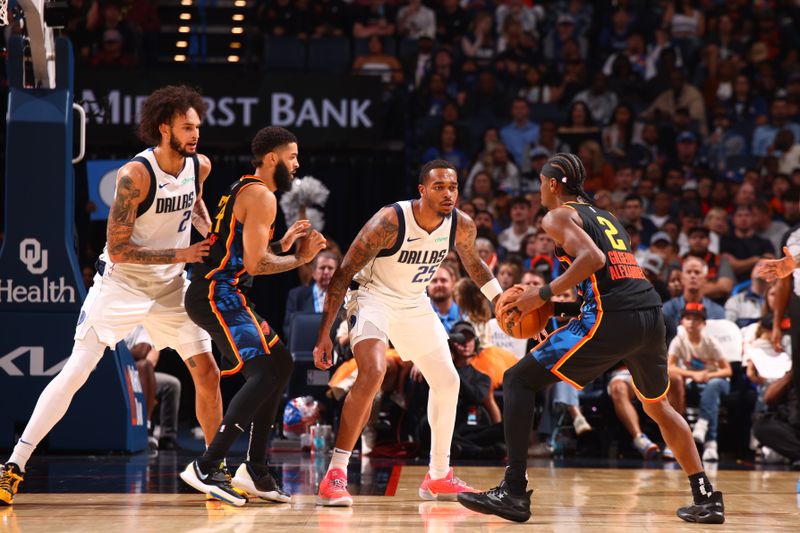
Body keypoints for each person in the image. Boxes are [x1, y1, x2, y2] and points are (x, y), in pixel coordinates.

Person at [457, 153, 724, 524]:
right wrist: (560, 314)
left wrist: (542, 295)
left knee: (519, 380)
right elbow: (611, 279)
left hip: (612, 318)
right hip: (649, 315)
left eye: (539, 182)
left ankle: (514, 491)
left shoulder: (558, 215)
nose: (538, 190)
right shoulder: (608, 217)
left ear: (553, 183)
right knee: (658, 407)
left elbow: (593, 258)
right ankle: (706, 497)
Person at [0, 85, 224, 506]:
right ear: (164, 128)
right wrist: (182, 251)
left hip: (172, 285)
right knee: (76, 372)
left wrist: (208, 228)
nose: (196, 134)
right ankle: (14, 464)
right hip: (121, 284)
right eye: (187, 127)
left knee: (207, 371)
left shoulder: (200, 165)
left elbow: (193, 204)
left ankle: (214, 469)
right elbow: (118, 247)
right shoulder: (134, 176)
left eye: (198, 126)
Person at [312, 160, 504, 507]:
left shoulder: (461, 224)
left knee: (448, 381)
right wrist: (325, 333)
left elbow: (474, 264)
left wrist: (500, 299)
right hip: (371, 297)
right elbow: (342, 274)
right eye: (439, 187)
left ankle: (438, 474)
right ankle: (335, 474)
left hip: (414, 303)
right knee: (372, 372)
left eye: (453, 187)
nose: (448, 194)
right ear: (422, 190)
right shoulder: (390, 221)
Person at [179, 126, 326, 506]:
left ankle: (255, 469)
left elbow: (242, 252)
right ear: (273, 158)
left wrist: (283, 244)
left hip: (224, 291)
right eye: (292, 157)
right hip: (217, 293)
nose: (297, 164)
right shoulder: (262, 196)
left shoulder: (245, 187)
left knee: (280, 364)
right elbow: (257, 265)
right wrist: (300, 259)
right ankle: (208, 465)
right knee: (263, 372)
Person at [667, 303, 732, 462]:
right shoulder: (679, 340)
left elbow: (727, 370)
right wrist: (693, 374)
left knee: (713, 386)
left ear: (704, 323)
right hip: (694, 382)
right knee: (711, 400)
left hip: (718, 382)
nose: (691, 322)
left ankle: (702, 425)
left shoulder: (710, 342)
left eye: (696, 319)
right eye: (687, 318)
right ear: (682, 322)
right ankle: (710, 443)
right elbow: (670, 366)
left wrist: (709, 375)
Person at [283, 250, 339, 339]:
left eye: (330, 268)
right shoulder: (297, 295)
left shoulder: (345, 297)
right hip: (303, 346)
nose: (326, 272)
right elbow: (288, 328)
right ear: (313, 273)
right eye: (322, 268)